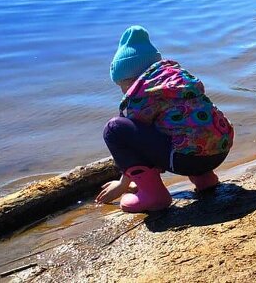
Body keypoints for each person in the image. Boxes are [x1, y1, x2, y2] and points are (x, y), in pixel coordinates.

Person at [95, 26, 234, 213]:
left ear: (130, 79)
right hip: (220, 149)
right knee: (187, 125)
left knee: (115, 129)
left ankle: (153, 195)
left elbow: (137, 144)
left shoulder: (141, 95)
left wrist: (122, 184)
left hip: (188, 159)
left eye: (122, 85)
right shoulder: (178, 79)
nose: (123, 92)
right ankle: (204, 179)